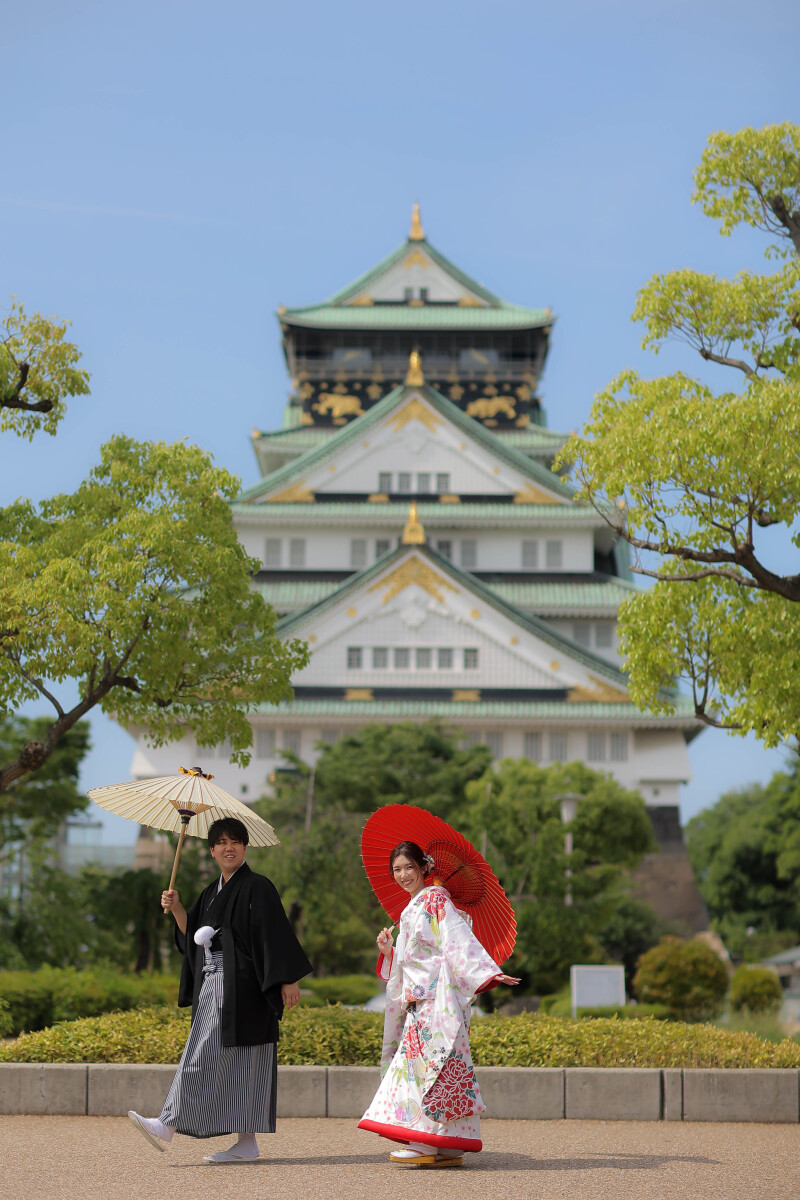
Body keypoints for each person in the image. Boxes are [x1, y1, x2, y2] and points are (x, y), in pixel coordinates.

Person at [128, 816, 312, 1163]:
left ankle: (170, 1124)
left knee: (230, 1056)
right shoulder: (211, 892)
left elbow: (274, 932)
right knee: (217, 1054)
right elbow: (193, 938)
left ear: (245, 847)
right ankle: (243, 1142)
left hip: (246, 984)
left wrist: (288, 978)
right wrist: (177, 907)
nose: (230, 848)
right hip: (215, 981)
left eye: (236, 842)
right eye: (222, 843)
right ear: (212, 850)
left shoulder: (258, 886)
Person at [358, 840, 519, 1168]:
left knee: (424, 1072)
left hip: (436, 1004)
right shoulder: (413, 907)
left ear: (424, 868)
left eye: (409, 868)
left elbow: (457, 938)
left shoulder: (433, 899)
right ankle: (449, 1146)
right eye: (397, 870)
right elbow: (412, 958)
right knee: (445, 1072)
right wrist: (391, 950)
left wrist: (487, 972)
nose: (403, 875)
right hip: (426, 1003)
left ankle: (422, 1142)